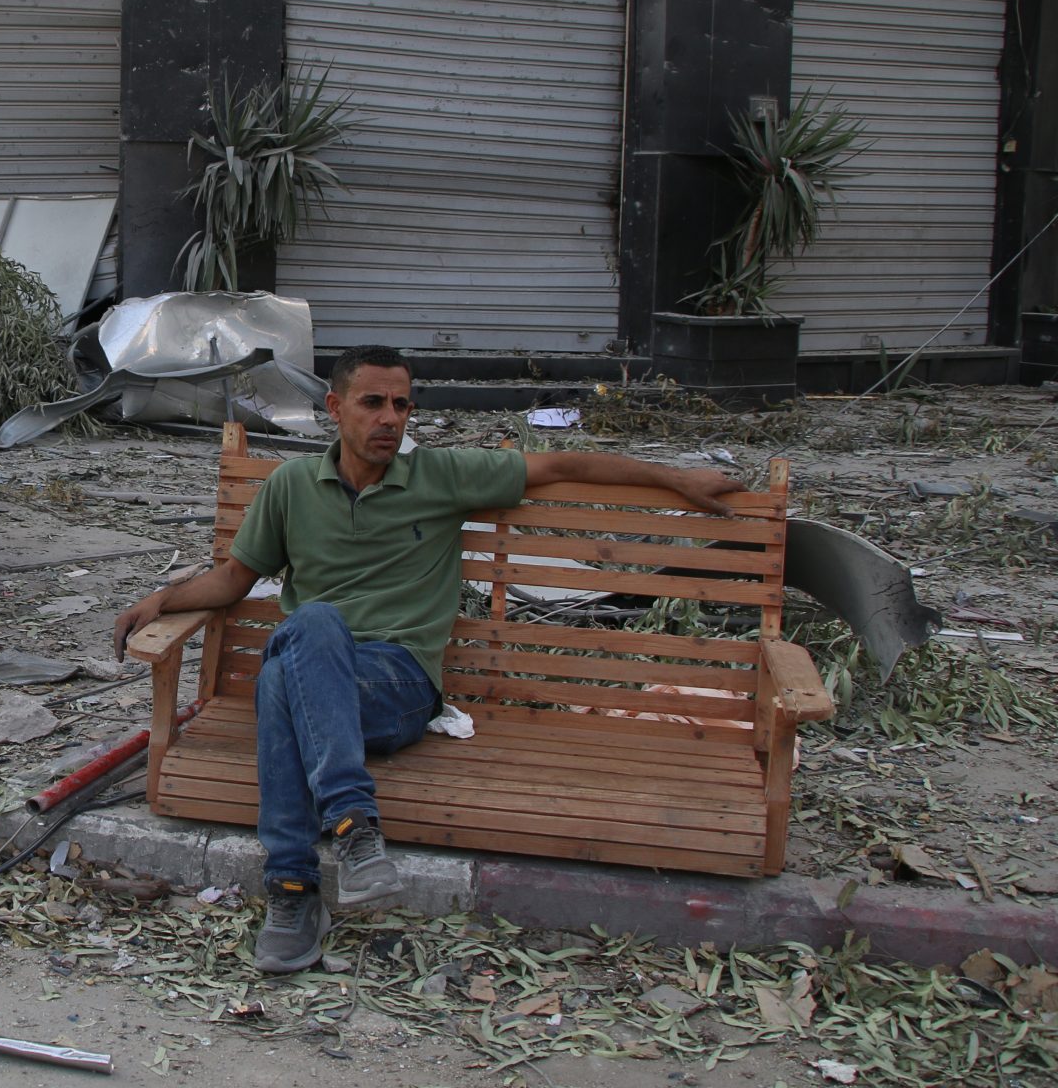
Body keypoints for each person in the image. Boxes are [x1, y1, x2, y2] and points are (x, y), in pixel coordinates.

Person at [110, 345, 744, 973]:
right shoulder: (292, 486)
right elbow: (233, 581)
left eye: (402, 404)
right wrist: (161, 599)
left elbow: (561, 462)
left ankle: (298, 886)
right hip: (314, 675)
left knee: (298, 648)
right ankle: (339, 846)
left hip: (398, 686)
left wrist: (677, 480)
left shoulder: (442, 475)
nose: (390, 417)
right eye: (373, 403)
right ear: (335, 407)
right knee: (302, 645)